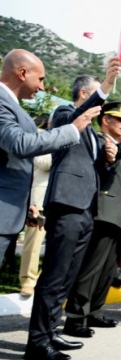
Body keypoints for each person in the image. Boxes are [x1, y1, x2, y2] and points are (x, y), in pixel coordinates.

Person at [25, 58, 121, 360]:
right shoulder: (66, 113)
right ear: (84, 94)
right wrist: (106, 85)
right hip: (66, 205)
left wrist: (107, 159)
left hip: (85, 209)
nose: (101, 107)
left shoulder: (91, 133)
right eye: (96, 97)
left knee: (66, 277)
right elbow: (75, 118)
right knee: (54, 276)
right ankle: (38, 344)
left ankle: (51, 333)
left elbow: (95, 171)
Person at [63, 102, 121, 338]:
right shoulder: (100, 140)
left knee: (106, 270)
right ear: (106, 120)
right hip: (103, 213)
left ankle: (94, 311)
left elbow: (109, 175)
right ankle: (76, 318)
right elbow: (108, 164)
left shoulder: (115, 145)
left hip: (115, 214)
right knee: (91, 268)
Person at [0, 49, 92, 267]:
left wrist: (27, 204)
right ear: (23, 73)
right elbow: (20, 144)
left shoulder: (11, 104)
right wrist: (71, 130)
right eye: (40, 79)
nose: (42, 87)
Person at [19, 115, 52, 297]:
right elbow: (42, 162)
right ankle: (28, 280)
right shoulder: (40, 137)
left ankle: (42, 280)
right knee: (33, 245)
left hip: (57, 201)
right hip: (39, 201)